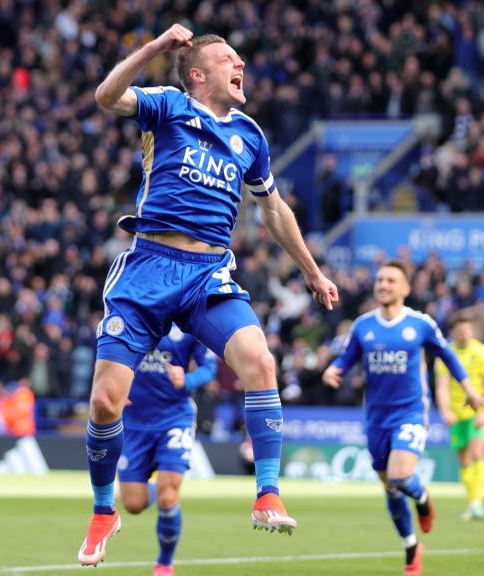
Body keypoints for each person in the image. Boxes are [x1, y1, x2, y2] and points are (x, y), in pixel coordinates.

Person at [81, 24, 338, 566]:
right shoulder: (170, 106)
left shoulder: (250, 135)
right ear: (199, 74)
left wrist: (312, 271)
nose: (239, 64)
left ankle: (267, 492)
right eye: (228, 58)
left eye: (240, 57)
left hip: (208, 273)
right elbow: (106, 98)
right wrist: (153, 49)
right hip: (149, 265)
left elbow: (272, 209)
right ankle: (103, 511)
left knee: (260, 363)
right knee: (105, 401)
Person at [322, 260, 482, 576]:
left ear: (406, 288)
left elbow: (447, 355)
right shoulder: (363, 325)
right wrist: (334, 368)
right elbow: (348, 357)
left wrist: (469, 389)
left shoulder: (420, 324)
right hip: (376, 418)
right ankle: (411, 545)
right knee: (390, 487)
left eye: (391, 281)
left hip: (409, 413)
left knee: (399, 476)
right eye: (380, 279)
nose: (383, 285)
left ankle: (422, 497)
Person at [118, 325, 218, 576]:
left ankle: (164, 563)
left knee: (168, 498)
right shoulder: (130, 318)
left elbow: (209, 368)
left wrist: (188, 379)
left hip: (174, 418)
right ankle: (159, 488)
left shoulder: (188, 325)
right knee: (132, 503)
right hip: (134, 423)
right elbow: (108, 359)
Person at [434, 309, 484, 521]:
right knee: (463, 458)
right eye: (460, 330)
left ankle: (477, 501)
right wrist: (445, 410)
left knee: (477, 452)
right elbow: (442, 386)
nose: (465, 333)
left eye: (468, 329)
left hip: (476, 412)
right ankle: (472, 502)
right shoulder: (445, 354)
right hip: (456, 413)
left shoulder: (482, 352)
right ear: (453, 332)